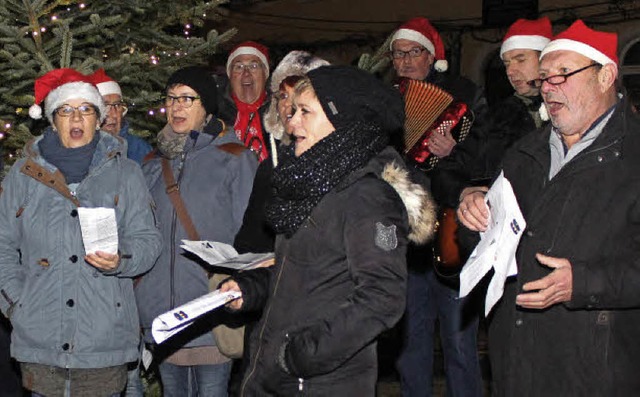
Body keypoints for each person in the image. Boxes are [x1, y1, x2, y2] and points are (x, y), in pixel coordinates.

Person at [220, 65, 437, 395]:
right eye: (293, 110)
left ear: (344, 123)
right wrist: (248, 289)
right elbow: (308, 273)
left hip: (319, 382)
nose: (292, 123)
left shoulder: (370, 199)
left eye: (306, 111)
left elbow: (382, 298)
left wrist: (303, 355)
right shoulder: (314, 184)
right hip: (275, 377)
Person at [458, 20, 640, 395]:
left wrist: (584, 283)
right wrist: (472, 215)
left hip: (595, 366)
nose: (549, 87)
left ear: (606, 75)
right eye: (544, 77)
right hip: (516, 360)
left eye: (564, 74)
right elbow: (483, 243)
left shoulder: (634, 156)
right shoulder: (525, 152)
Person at [0, 68, 161, 396]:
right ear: (52, 118)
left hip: (104, 338)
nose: (76, 118)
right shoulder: (23, 174)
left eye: (86, 109)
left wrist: (121, 259)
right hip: (40, 338)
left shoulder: (126, 172)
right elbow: (2, 243)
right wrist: (18, 304)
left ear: (98, 118)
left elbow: (148, 240)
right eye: (66, 110)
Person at [134, 66, 257, 396]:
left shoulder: (235, 159)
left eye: (188, 98)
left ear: (207, 107)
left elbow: (252, 237)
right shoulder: (151, 165)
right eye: (172, 98)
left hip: (211, 311)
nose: (177, 106)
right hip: (162, 314)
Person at [390, 16, 489, 397]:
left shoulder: (463, 94)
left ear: (431, 57)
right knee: (411, 342)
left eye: (413, 52)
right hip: (407, 235)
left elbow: (488, 158)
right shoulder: (388, 99)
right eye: (398, 54)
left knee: (459, 341)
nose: (405, 61)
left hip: (451, 230)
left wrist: (455, 150)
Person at [433, 17, 552, 255]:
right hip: (509, 244)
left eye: (520, 59)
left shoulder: (573, 113)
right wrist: (466, 192)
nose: (511, 71)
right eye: (506, 63)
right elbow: (448, 171)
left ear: (547, 59)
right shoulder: (497, 116)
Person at [233, 50, 329, 254]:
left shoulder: (339, 160)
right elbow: (251, 235)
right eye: (282, 95)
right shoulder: (270, 165)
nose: (287, 104)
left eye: (297, 94)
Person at [217, 41, 272, 163]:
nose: (246, 73)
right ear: (230, 75)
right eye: (239, 67)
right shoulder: (215, 114)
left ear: (265, 74)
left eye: (253, 66)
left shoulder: (279, 114)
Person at [93, 69, 152, 165]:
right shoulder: (80, 148)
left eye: (117, 105)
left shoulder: (139, 149)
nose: (114, 113)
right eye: (105, 105)